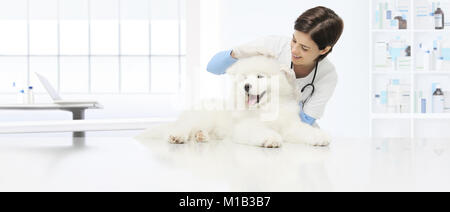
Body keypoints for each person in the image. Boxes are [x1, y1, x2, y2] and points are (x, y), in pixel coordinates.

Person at [206, 6, 344, 127]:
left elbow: (306, 121)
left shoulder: (327, 75)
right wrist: (237, 53)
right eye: (294, 40)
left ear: (324, 50)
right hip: (253, 125)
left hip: (290, 137)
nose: (294, 50)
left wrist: (292, 93)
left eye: (304, 48)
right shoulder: (273, 46)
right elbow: (213, 67)